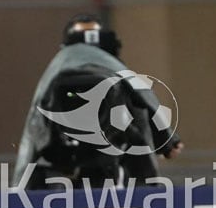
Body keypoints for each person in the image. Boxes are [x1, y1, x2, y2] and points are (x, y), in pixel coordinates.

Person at [13, 14, 183, 190]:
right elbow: (144, 94)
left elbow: (33, 127)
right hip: (106, 140)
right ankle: (145, 191)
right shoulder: (113, 66)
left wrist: (20, 186)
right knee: (137, 121)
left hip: (68, 147)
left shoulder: (57, 66)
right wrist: (166, 140)